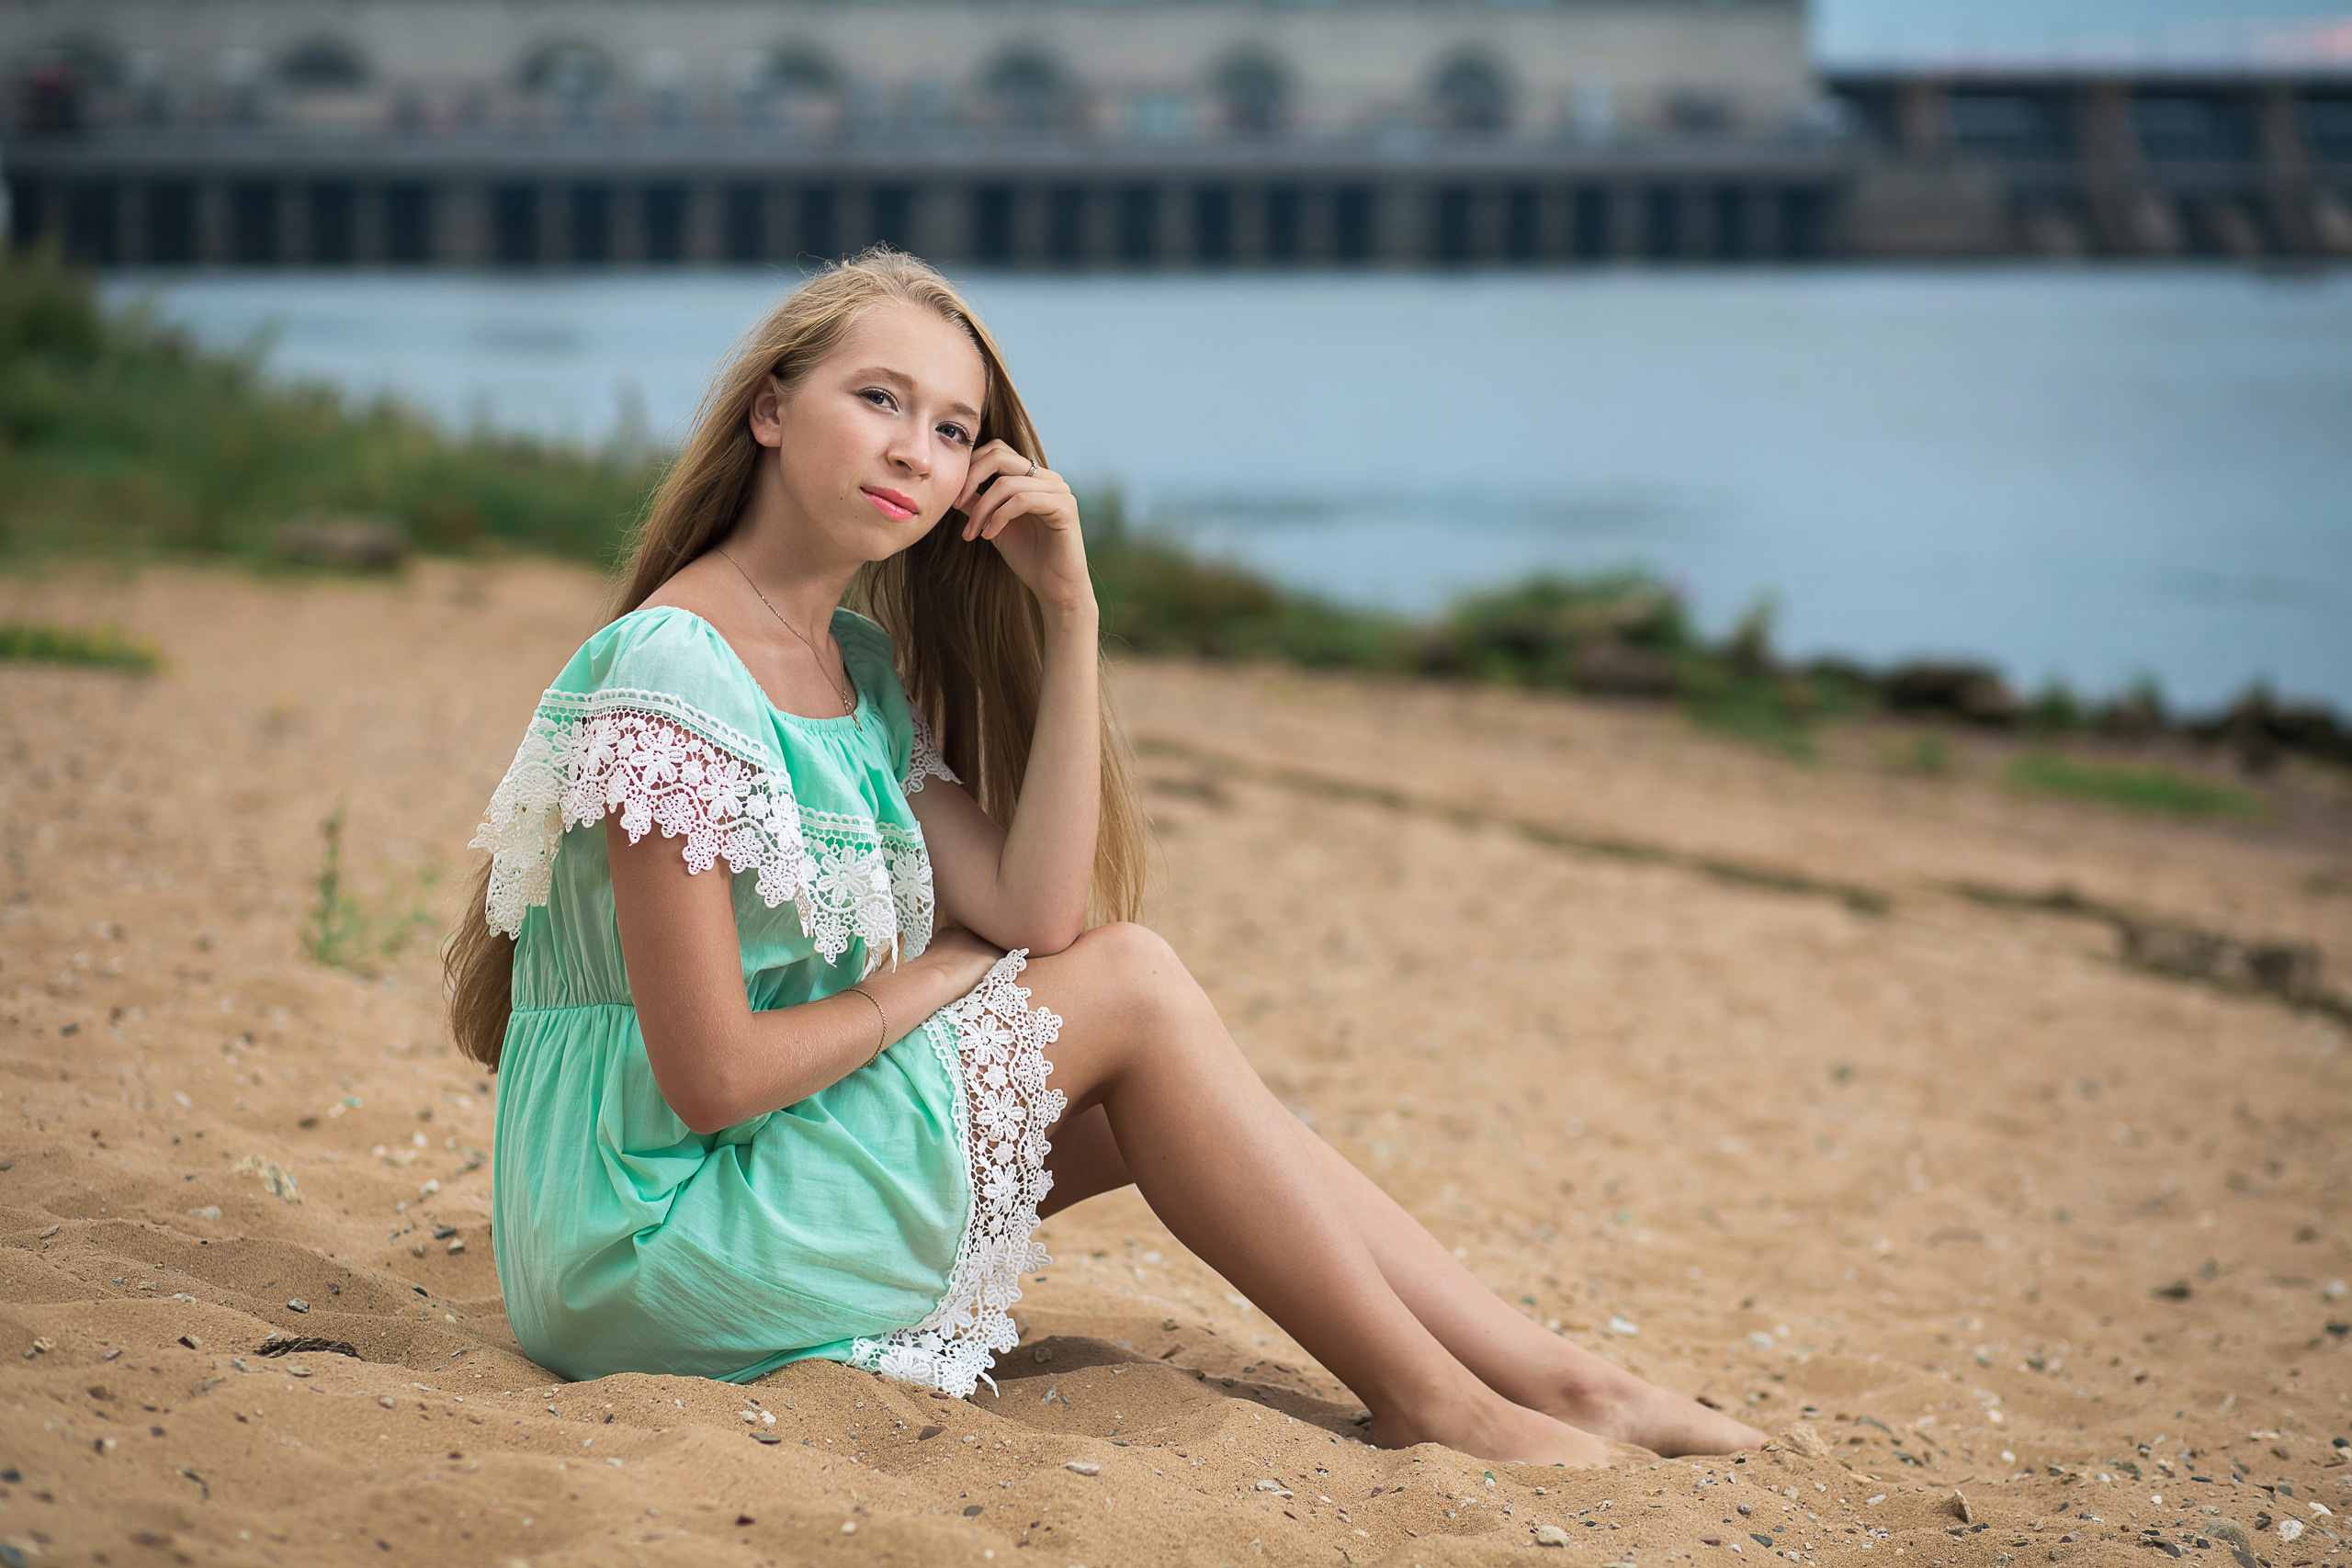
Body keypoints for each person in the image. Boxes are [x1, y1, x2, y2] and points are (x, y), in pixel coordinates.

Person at [446, 248, 1764, 1468]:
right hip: (644, 1244)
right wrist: (937, 980)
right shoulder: (676, 670)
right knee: (1135, 988)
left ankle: (1558, 1383)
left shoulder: (852, 669)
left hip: (729, 1186)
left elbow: (1035, 909)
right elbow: (717, 1076)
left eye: (954, 430)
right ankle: (1444, 1406)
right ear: (771, 412)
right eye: (880, 399)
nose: (915, 451)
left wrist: (1071, 613)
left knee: (1155, 1089)